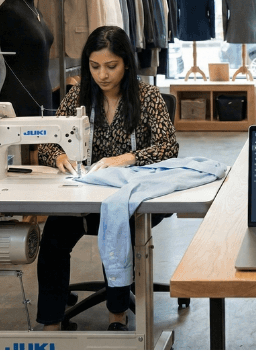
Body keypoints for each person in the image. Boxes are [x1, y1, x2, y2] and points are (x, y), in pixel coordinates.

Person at [37, 26, 179, 331]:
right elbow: (47, 142)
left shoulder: (147, 97)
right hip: (87, 194)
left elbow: (168, 147)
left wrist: (126, 158)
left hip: (132, 196)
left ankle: (117, 313)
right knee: (53, 237)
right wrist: (59, 157)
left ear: (126, 62)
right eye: (94, 66)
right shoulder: (78, 96)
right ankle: (51, 323)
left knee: (116, 227)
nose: (102, 75)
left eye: (111, 66)